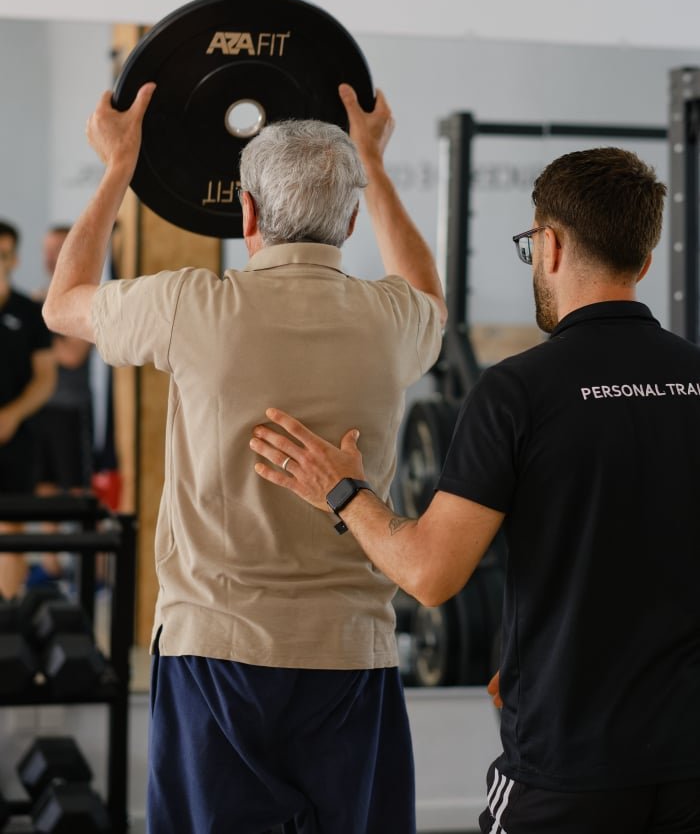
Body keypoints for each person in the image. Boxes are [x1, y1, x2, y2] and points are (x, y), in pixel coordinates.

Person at [250, 146, 700, 834]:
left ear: (549, 245)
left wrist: (342, 491)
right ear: (643, 261)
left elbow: (429, 575)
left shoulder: (518, 391)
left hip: (568, 767)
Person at [42, 80, 446, 834]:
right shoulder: (394, 321)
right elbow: (429, 292)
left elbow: (63, 301)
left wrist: (119, 166)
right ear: (350, 220)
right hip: (349, 659)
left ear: (248, 212)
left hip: (214, 658)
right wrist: (373, 162)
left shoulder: (189, 305)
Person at [31, 225, 94, 581]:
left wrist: (38, 327)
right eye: (47, 249)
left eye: (57, 249)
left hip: (71, 411)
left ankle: (87, 570)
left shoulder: (83, 296)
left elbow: (72, 355)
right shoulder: (40, 299)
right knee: (44, 487)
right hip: (40, 410)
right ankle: (51, 565)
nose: (50, 257)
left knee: (77, 489)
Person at [0, 220, 56, 598]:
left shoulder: (29, 312)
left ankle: (6, 615)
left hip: (16, 438)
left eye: (3, 254)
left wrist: (13, 414)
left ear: (15, 259)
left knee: (11, 529)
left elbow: (45, 378)